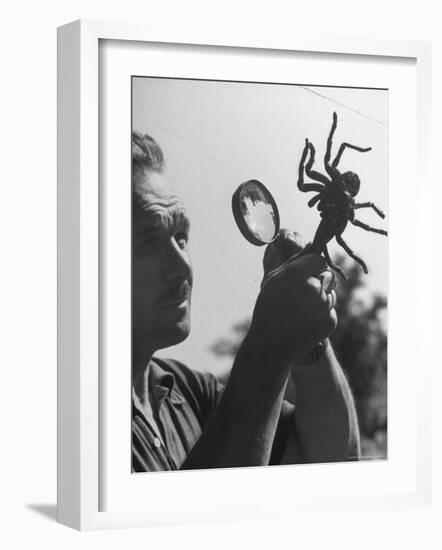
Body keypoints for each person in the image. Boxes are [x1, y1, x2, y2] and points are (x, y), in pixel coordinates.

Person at [131, 131, 360, 472]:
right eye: (149, 241)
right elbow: (192, 523)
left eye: (181, 237)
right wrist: (271, 343)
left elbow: (334, 460)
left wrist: (309, 339)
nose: (183, 266)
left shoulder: (191, 394)